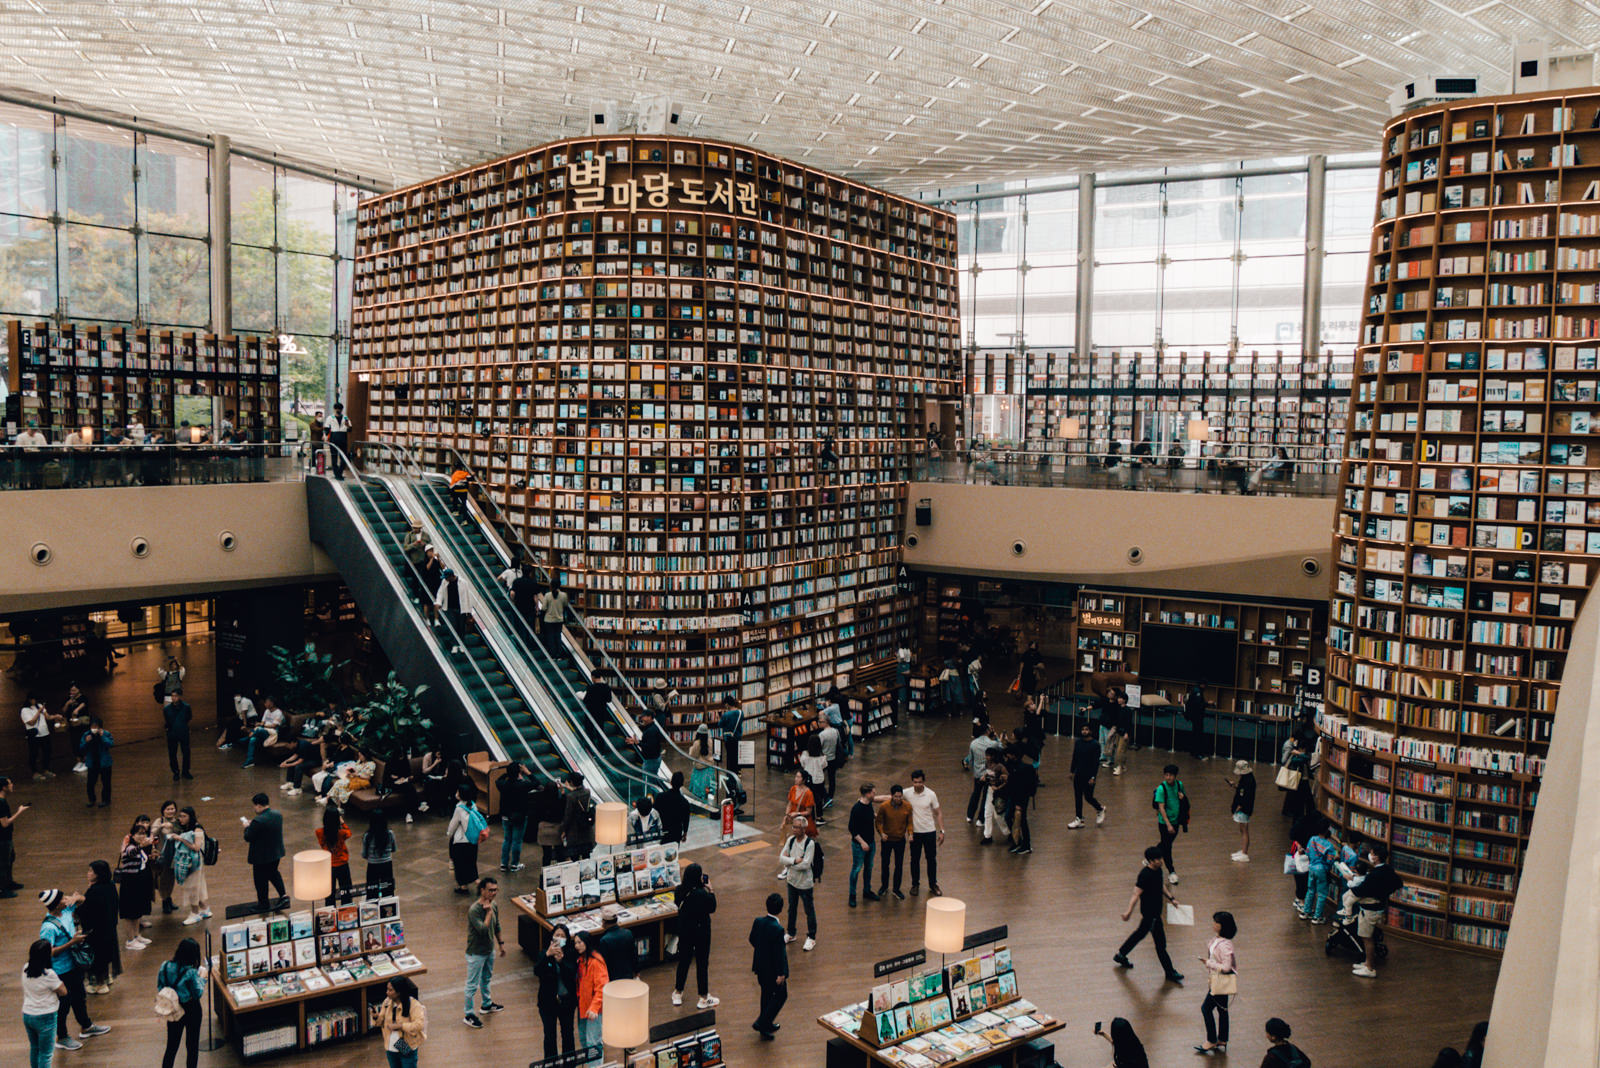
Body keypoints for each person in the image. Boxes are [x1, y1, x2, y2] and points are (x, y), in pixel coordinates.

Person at [39, 888, 107, 1050]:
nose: (65, 900)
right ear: (55, 906)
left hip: (73, 966)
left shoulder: (67, 911)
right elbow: (48, 952)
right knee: (63, 1004)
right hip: (60, 970)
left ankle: (86, 1026)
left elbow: (82, 900)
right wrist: (72, 943)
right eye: (62, 899)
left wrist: (75, 897)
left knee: (79, 997)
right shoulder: (49, 927)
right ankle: (61, 1037)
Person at [1112, 845, 1184, 984]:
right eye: (1157, 859)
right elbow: (1136, 894)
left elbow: (1161, 885)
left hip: (1154, 914)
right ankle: (1170, 972)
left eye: (1160, 858)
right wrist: (1128, 912)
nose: (1160, 861)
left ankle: (1121, 955)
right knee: (1160, 945)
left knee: (1140, 934)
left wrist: (1172, 899)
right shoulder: (1144, 875)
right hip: (1151, 915)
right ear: (1150, 861)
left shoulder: (1158, 871)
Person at [1342, 842, 1401, 979]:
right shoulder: (1387, 870)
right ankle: (1367, 962)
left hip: (1369, 910)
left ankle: (1369, 967)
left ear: (1376, 857)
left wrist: (1351, 882)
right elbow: (1398, 883)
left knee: (1366, 937)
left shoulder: (1375, 875)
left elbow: (1363, 890)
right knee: (1369, 936)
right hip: (1379, 906)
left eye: (1373, 854)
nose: (1370, 856)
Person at [671, 863, 720, 1009]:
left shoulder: (679, 890)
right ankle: (703, 997)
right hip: (702, 932)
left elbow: (677, 903)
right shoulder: (702, 894)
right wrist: (711, 890)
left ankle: (678, 992)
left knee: (684, 961)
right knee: (702, 963)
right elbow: (712, 908)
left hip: (685, 931)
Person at [462, 876, 506, 1028]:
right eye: (491, 890)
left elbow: (497, 925)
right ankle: (468, 1014)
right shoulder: (475, 910)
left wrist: (501, 944)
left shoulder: (493, 905)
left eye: (495, 890)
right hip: (476, 953)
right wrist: (487, 914)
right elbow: (482, 930)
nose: (494, 893)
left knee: (487, 978)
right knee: (472, 985)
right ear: (482, 890)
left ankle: (486, 1004)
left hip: (489, 950)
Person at [156, 937, 204, 1068]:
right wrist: (203, 978)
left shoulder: (165, 966)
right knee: (192, 1046)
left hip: (172, 1009)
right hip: (191, 1009)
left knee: (171, 1046)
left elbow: (160, 987)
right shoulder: (191, 973)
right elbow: (197, 993)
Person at [1195, 911, 1238, 1055]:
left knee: (1206, 1009)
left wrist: (1209, 963)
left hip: (1219, 982)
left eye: (1216, 922)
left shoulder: (1224, 946)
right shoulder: (1218, 940)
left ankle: (1211, 1039)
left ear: (1222, 926)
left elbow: (1226, 967)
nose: (1213, 924)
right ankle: (1223, 1039)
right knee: (1222, 1009)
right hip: (1219, 981)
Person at [748, 892, 789, 1039]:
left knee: (766, 996)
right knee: (781, 995)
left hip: (760, 967)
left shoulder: (758, 921)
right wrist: (781, 973)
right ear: (781, 909)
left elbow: (752, 939)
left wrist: (762, 952)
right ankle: (762, 1022)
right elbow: (779, 954)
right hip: (773, 971)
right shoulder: (778, 929)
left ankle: (766, 1024)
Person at [535, 923, 578, 1060]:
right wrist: (548, 955)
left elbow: (572, 974)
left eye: (562, 936)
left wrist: (561, 962)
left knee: (568, 1034)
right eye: (557, 935)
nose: (559, 938)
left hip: (566, 1002)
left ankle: (569, 1063)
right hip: (548, 1003)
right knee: (549, 1036)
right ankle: (551, 1063)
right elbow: (537, 971)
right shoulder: (544, 953)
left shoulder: (570, 954)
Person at [23, 937, 67, 1068]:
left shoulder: (25, 968)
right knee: (46, 1054)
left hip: (28, 1014)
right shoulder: (49, 974)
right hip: (46, 1016)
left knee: (35, 1048)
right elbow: (63, 991)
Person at [78, 861, 119, 994]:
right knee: (106, 955)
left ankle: (99, 984)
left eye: (91, 871)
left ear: (97, 874)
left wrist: (80, 903)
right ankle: (106, 978)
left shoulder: (95, 891)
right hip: (109, 928)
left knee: (97, 958)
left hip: (96, 931)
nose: (88, 874)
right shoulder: (110, 886)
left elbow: (87, 911)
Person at [779, 814, 818, 951]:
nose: (794, 829)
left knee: (809, 910)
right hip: (791, 881)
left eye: (797, 827)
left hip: (805, 884)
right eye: (794, 827)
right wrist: (794, 861)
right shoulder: (790, 840)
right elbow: (781, 858)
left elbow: (806, 865)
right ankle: (791, 933)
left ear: (804, 829)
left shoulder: (810, 844)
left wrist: (789, 864)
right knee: (792, 908)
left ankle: (811, 937)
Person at [242, 792, 287, 910]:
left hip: (261, 857)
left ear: (258, 805)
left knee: (260, 881)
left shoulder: (258, 821)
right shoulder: (277, 815)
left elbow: (248, 837)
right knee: (274, 874)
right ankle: (283, 895)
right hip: (276, 853)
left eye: (254, 806)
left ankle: (263, 904)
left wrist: (247, 826)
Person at [115, 819, 154, 952]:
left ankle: (137, 935)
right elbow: (130, 853)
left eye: (143, 834)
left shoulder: (140, 849)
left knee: (137, 913)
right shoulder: (130, 847)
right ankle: (130, 940)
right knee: (129, 913)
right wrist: (143, 845)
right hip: (129, 884)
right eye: (138, 834)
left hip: (138, 884)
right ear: (132, 835)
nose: (141, 836)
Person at [905, 769, 945, 896]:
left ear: (924, 782)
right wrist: (870, 798)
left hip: (929, 831)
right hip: (915, 833)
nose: (917, 785)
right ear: (912, 782)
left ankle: (933, 884)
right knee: (914, 859)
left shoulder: (931, 794)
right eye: (915, 782)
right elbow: (890, 797)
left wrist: (942, 831)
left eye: (920, 782)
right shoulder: (906, 793)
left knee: (931, 859)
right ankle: (915, 884)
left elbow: (938, 813)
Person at [373, 975, 426, 1068]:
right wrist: (376, 1017)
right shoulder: (387, 1002)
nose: (387, 992)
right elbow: (380, 1022)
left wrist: (400, 1026)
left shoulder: (414, 1005)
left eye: (390, 990)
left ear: (399, 992)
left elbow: (419, 1025)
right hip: (391, 1047)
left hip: (406, 1046)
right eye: (387, 989)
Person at [169, 808, 210, 926]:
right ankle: (205, 909)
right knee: (198, 886)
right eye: (180, 816)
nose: (180, 819)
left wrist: (180, 838)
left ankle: (195, 913)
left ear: (190, 817)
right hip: (192, 862)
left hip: (195, 863)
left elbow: (196, 847)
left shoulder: (197, 829)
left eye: (183, 816)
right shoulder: (186, 827)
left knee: (192, 887)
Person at [448, 784, 488, 893]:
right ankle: (477, 883)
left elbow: (453, 825)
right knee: (471, 863)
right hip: (473, 840)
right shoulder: (473, 806)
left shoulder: (459, 809)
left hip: (461, 841)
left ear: (460, 795)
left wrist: (449, 833)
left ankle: (464, 886)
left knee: (460, 864)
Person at [846, 783, 881, 907]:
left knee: (869, 868)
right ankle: (852, 895)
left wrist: (875, 816)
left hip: (870, 842)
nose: (874, 795)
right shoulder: (857, 809)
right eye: (873, 793)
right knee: (856, 869)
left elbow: (869, 815)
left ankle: (867, 891)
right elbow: (852, 829)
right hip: (859, 845)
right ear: (867, 794)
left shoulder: (869, 805)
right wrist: (862, 843)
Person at [574, 929, 607, 1055]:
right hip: (584, 1006)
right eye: (575, 943)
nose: (577, 946)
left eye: (579, 942)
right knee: (584, 1039)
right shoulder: (581, 960)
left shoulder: (596, 962)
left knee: (593, 1042)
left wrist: (594, 1007)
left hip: (594, 1010)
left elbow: (602, 986)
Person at [875, 783, 911, 899]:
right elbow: (879, 822)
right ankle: (884, 886)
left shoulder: (907, 807)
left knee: (899, 865)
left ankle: (896, 888)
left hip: (900, 840)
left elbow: (910, 822)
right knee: (885, 864)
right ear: (891, 796)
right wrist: (881, 833)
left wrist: (910, 833)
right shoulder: (884, 806)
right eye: (896, 796)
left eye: (900, 796)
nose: (898, 799)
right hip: (887, 840)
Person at [1152, 764, 1186, 883]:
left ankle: (1151, 855)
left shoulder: (1179, 785)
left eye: (1170, 775)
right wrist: (1168, 824)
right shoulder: (1162, 789)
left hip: (1176, 820)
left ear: (1175, 776)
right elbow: (1161, 808)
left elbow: (1184, 799)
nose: (1168, 777)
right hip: (1165, 822)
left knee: (1166, 843)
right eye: (1166, 775)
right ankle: (1171, 871)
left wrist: (1182, 798)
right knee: (1167, 847)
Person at [1069, 722, 1107, 829]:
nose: (1084, 731)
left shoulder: (1095, 745)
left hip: (1088, 775)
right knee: (1078, 796)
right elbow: (1074, 757)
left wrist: (1093, 777)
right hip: (1078, 774)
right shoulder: (1078, 743)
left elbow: (1095, 763)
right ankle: (1079, 818)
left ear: (1090, 731)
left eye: (1086, 729)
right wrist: (1072, 771)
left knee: (1088, 797)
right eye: (1083, 729)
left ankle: (1099, 809)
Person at [497, 762, 531, 873]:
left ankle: (503, 864)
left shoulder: (503, 784)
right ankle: (514, 864)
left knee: (507, 839)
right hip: (519, 816)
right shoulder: (523, 785)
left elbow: (497, 780)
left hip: (506, 816)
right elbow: (536, 783)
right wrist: (527, 772)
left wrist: (507, 774)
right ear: (518, 772)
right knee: (517, 841)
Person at [316, 804, 353, 906]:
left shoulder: (319, 832)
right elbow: (349, 833)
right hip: (342, 864)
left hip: (329, 866)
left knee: (329, 893)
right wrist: (343, 823)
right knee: (346, 891)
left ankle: (330, 913)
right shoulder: (342, 833)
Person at [964, 723, 1001, 822]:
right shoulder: (992, 744)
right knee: (985, 797)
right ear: (987, 731)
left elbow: (970, 759)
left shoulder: (973, 744)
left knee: (975, 793)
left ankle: (970, 815)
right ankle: (981, 819)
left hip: (977, 774)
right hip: (989, 773)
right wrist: (997, 738)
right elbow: (1001, 748)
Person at [0, 776, 29, 897]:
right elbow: (5, 823)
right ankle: (2, 889)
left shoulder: (3, 801)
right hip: (2, 838)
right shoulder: (0, 803)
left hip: (7, 837)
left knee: (10, 858)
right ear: (3, 787)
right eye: (10, 783)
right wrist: (19, 811)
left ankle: (9, 882)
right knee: (3, 863)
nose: (12, 785)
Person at [595, 905, 637, 980]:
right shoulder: (628, 933)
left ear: (604, 922)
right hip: (628, 975)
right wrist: (637, 971)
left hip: (612, 978)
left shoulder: (604, 940)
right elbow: (634, 955)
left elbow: (604, 963)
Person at [21, 697, 59, 780]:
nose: (34, 701)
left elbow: (47, 717)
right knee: (34, 754)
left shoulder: (39, 705)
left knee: (47, 752)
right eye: (32, 699)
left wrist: (56, 716)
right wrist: (39, 712)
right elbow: (31, 722)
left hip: (45, 733)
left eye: (35, 699)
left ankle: (46, 769)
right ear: (28, 699)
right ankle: (35, 772)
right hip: (34, 735)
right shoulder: (25, 710)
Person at [781, 769, 818, 855]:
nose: (796, 779)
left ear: (804, 780)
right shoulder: (793, 789)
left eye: (798, 777)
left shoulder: (808, 793)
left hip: (803, 822)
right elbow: (789, 804)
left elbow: (809, 811)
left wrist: (797, 814)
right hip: (793, 819)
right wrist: (787, 814)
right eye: (796, 776)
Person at [1226, 759, 1256, 862]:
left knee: (1244, 830)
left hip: (1244, 809)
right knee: (1242, 829)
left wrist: (1239, 807)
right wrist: (1235, 786)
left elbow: (1246, 796)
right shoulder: (1247, 779)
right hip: (1243, 808)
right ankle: (1243, 850)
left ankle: (1244, 853)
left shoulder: (1249, 781)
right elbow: (1242, 790)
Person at [241, 697, 285, 768]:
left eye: (266, 702)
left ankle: (247, 738)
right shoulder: (267, 711)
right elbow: (262, 722)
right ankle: (250, 761)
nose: (265, 704)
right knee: (253, 740)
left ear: (272, 703)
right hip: (263, 731)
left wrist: (262, 725)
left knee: (259, 730)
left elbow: (274, 726)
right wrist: (260, 724)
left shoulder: (278, 713)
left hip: (272, 733)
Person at [79, 718, 113, 807]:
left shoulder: (106, 734)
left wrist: (103, 737)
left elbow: (110, 744)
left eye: (96, 727)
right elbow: (81, 748)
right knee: (90, 783)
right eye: (92, 726)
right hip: (92, 763)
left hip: (104, 763)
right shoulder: (86, 735)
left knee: (106, 783)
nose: (94, 728)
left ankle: (106, 800)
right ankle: (91, 800)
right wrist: (86, 742)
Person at [160, 692, 194, 782]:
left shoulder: (186, 707)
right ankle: (175, 772)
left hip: (183, 732)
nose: (173, 698)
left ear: (179, 696)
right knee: (172, 754)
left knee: (186, 752)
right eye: (172, 696)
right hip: (172, 733)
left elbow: (189, 717)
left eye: (175, 696)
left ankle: (185, 771)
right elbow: (167, 720)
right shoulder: (167, 709)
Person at [561, 772, 595, 862]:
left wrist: (564, 830)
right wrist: (571, 788)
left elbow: (568, 815)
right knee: (586, 857)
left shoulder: (570, 797)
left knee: (575, 858)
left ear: (571, 782)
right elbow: (579, 792)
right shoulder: (587, 792)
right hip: (586, 831)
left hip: (574, 833)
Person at [363, 809, 398, 892]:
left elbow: (364, 854)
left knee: (372, 889)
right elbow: (394, 849)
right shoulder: (390, 834)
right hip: (387, 864)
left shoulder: (368, 836)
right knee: (388, 889)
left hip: (372, 865)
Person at [542, 575, 572, 661]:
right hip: (559, 620)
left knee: (550, 638)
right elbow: (566, 605)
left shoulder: (547, 595)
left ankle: (552, 655)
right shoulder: (564, 595)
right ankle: (559, 655)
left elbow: (544, 608)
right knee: (558, 636)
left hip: (549, 620)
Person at [632, 710, 667, 782]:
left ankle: (651, 793)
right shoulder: (652, 728)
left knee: (648, 782)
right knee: (653, 778)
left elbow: (649, 746)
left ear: (650, 717)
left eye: (643, 717)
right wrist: (637, 742)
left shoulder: (651, 730)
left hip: (651, 760)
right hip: (654, 758)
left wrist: (638, 743)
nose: (642, 719)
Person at [659, 770, 692, 842]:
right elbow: (686, 820)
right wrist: (685, 833)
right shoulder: (685, 802)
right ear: (682, 784)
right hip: (676, 833)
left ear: (671, 782)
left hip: (662, 831)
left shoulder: (660, 797)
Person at [325, 402, 351, 478]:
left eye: (340, 409)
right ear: (334, 409)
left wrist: (348, 425)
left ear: (342, 409)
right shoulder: (330, 418)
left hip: (343, 437)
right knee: (334, 457)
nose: (338, 410)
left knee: (344, 457)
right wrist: (325, 436)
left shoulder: (346, 418)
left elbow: (350, 429)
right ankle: (337, 474)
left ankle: (340, 472)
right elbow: (326, 428)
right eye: (337, 409)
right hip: (334, 437)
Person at [1185, 684, 1209, 760]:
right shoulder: (1198, 692)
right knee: (1198, 734)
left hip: (1193, 716)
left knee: (1195, 734)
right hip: (1197, 716)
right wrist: (1208, 703)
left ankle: (1193, 752)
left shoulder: (1194, 690)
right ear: (1202, 685)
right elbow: (1198, 704)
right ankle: (1198, 754)